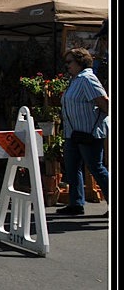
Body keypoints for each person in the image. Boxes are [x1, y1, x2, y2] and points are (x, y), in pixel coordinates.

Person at [57, 47, 110, 217]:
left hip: (88, 133)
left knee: (96, 168)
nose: (67, 65)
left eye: (69, 62)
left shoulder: (87, 78)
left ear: (80, 62)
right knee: (72, 168)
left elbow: (105, 103)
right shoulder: (75, 80)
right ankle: (76, 204)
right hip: (72, 133)